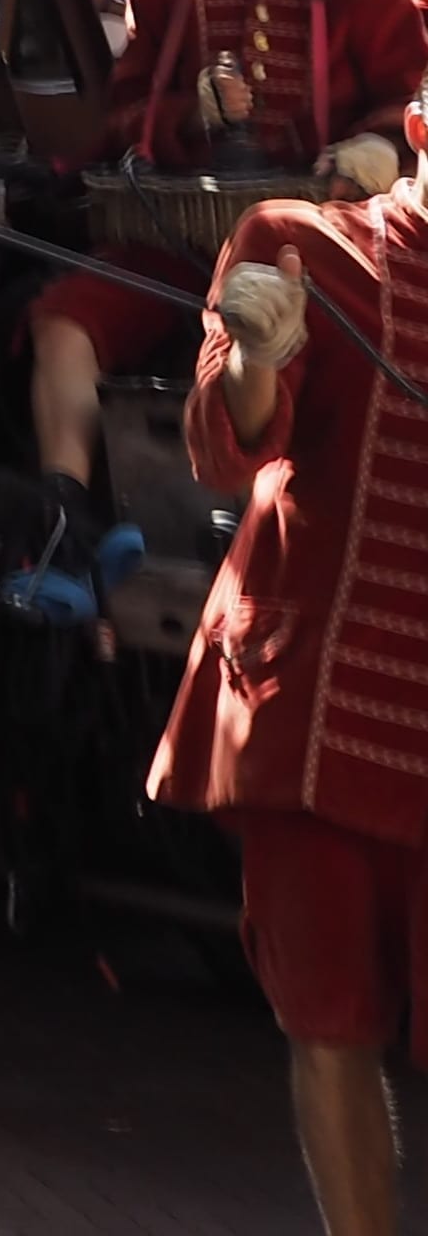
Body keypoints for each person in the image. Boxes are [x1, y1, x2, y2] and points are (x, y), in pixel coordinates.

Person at [22, 0, 427, 618]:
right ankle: (64, 517)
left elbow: (408, 110)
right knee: (64, 321)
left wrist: (372, 153)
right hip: (181, 239)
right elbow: (122, 126)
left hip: (313, 254)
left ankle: (269, 535)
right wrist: (191, 111)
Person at [154, 193, 428, 1236]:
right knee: (328, 1027)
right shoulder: (302, 243)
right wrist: (257, 353)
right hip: (322, 714)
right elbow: (225, 451)